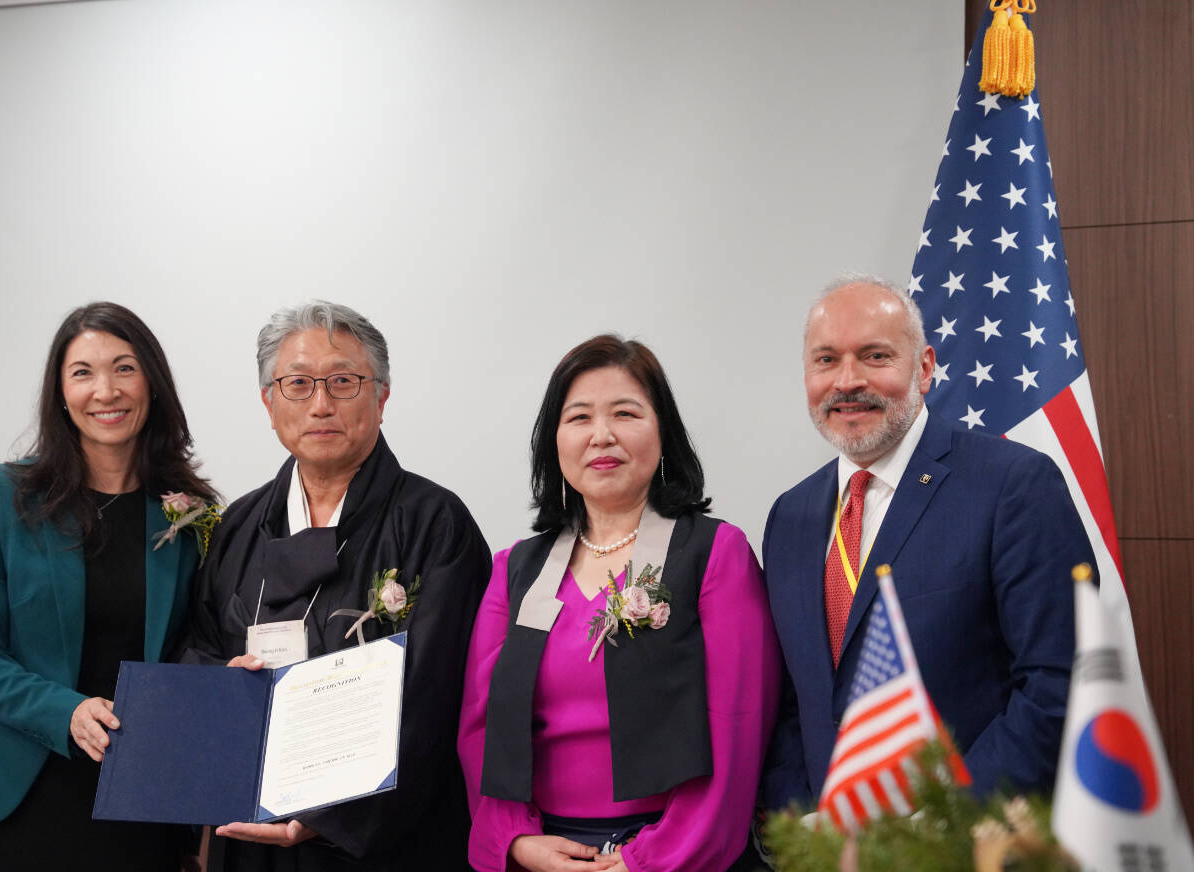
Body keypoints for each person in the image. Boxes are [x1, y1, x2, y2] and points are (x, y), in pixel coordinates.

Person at [759, 276, 1094, 812]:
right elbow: (788, 702)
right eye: (826, 360)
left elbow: (1059, 684)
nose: (848, 380)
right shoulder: (789, 517)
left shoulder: (1013, 485)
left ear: (924, 367)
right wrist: (800, 823)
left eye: (875, 356)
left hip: (969, 836)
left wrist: (939, 828)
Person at [180, 300, 492, 871]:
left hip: (385, 839)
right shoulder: (239, 526)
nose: (320, 404)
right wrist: (225, 685)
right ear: (268, 402)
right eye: (298, 383)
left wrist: (328, 816)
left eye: (343, 382)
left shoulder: (434, 522)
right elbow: (198, 649)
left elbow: (439, 695)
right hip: (253, 828)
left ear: (382, 396)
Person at [0, 302, 217, 871]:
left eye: (124, 368)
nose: (106, 391)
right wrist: (65, 711)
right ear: (60, 393)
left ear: (152, 382)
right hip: (20, 791)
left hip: (140, 796)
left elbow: (193, 649)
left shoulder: (191, 512)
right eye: (82, 373)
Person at [458, 334, 782, 872]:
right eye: (579, 417)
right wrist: (515, 838)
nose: (601, 435)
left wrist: (652, 858)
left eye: (625, 414)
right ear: (554, 440)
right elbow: (481, 729)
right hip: (547, 853)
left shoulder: (715, 553)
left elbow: (738, 726)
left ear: (663, 432)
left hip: (675, 852)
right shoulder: (514, 569)